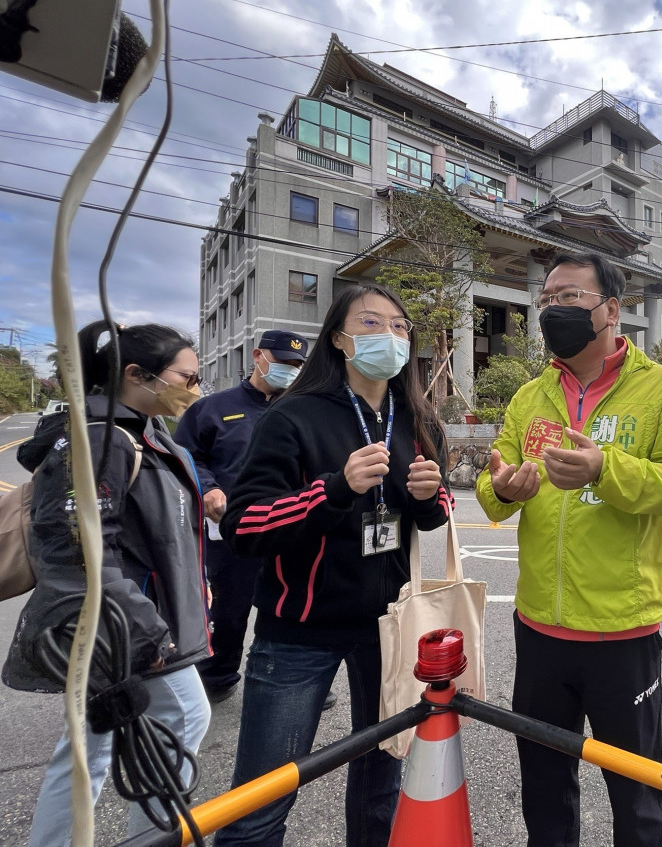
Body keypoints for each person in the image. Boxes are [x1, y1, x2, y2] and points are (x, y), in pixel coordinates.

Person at [476, 253, 662, 847]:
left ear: (612, 309)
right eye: (547, 299)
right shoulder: (530, 396)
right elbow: (492, 484)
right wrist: (500, 489)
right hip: (538, 631)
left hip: (621, 633)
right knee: (544, 792)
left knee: (637, 800)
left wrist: (606, 468)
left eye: (570, 297)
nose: (554, 308)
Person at [214, 283, 451, 847]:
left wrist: (427, 496)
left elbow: (435, 516)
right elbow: (243, 526)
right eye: (370, 324)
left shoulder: (417, 418)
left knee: (380, 784)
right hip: (299, 633)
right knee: (261, 800)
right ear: (339, 339)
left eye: (399, 327)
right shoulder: (292, 416)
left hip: (389, 628)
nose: (388, 337)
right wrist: (333, 489)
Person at [3, 321, 211, 845]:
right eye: (187, 377)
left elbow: (160, 533)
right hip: (125, 628)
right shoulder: (103, 439)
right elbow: (75, 552)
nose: (196, 388)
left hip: (130, 621)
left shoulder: (140, 430)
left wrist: (193, 586)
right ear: (138, 376)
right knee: (182, 716)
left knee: (90, 746)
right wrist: (151, 633)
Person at [174, 329, 318, 706]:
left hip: (291, 526)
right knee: (231, 610)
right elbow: (187, 454)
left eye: (296, 365)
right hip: (235, 529)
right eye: (283, 362)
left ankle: (298, 676)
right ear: (258, 356)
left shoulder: (303, 408)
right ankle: (219, 675)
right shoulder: (213, 408)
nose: (290, 371)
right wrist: (207, 488)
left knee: (297, 607)